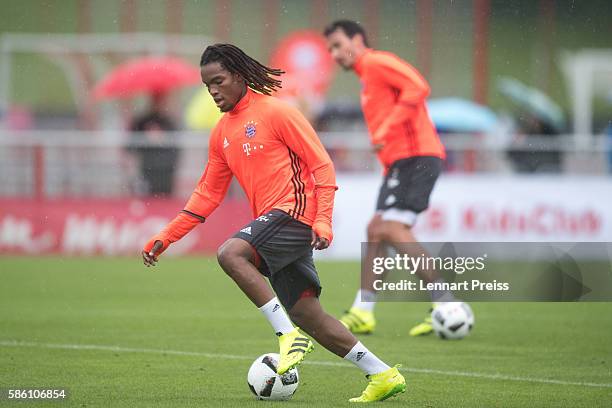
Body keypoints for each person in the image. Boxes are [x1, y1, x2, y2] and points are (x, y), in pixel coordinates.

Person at [141, 44, 405, 403]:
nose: (213, 91)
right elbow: (208, 194)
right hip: (274, 223)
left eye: (218, 81)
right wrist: (167, 235)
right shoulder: (221, 133)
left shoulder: (278, 113)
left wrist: (324, 220)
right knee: (307, 314)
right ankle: (382, 374)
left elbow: (322, 166)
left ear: (239, 75)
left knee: (232, 254)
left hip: (294, 212)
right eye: (207, 86)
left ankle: (286, 336)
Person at [324, 20, 458, 336]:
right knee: (376, 229)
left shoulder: (376, 62)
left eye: (338, 45)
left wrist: (387, 127)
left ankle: (447, 304)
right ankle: (363, 311)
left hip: (417, 157)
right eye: (330, 49)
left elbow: (419, 87)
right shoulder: (366, 78)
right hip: (400, 163)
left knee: (391, 228)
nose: (334, 54)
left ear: (357, 40)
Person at [128, 92, 179, 196]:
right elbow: (131, 145)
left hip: (166, 171)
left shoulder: (169, 121)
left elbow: (176, 147)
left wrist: (162, 139)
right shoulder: (142, 121)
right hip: (147, 170)